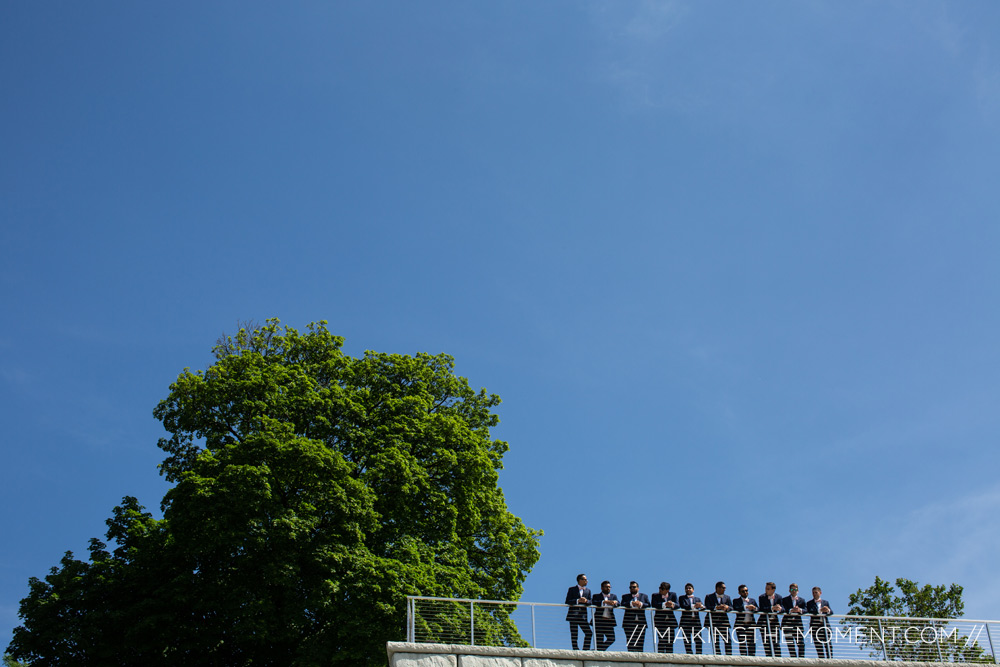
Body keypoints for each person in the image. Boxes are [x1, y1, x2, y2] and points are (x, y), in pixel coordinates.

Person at [564, 574, 592, 650]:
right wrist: (577, 600)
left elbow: (590, 601)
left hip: (583, 616)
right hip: (573, 615)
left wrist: (586, 601)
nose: (587, 581)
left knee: (589, 633)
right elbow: (567, 601)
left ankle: (585, 649)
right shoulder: (572, 589)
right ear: (580, 580)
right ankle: (575, 649)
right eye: (585, 579)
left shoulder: (588, 591)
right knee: (574, 634)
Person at [704, 581, 733, 655]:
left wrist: (727, 607)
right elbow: (707, 606)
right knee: (715, 641)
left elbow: (732, 607)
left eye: (725, 588)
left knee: (728, 639)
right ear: (718, 588)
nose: (725, 589)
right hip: (712, 622)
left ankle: (729, 656)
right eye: (723, 588)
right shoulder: (709, 596)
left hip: (723, 622)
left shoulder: (727, 597)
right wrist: (716, 607)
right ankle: (718, 656)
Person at [621, 581, 650, 652]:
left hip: (641, 623)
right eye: (630, 587)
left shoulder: (644, 596)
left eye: (634, 587)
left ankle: (640, 659)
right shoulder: (625, 596)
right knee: (630, 642)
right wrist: (632, 603)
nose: (632, 588)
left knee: (640, 643)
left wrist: (641, 604)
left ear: (638, 588)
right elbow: (623, 603)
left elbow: (649, 604)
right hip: (629, 623)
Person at [651, 582, 679, 653]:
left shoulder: (673, 595)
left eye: (662, 589)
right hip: (660, 622)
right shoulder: (655, 595)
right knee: (662, 640)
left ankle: (670, 657)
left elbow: (678, 605)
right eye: (659, 588)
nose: (660, 590)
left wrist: (672, 605)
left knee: (670, 640)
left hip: (670, 622)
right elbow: (654, 604)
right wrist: (665, 604)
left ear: (667, 590)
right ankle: (661, 656)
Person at [592, 580, 619, 651]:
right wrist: (604, 602)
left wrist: (615, 602)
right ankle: (598, 652)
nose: (608, 588)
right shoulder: (596, 596)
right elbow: (594, 602)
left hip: (609, 621)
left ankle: (599, 649)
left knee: (612, 638)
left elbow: (619, 603)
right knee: (599, 640)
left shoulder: (613, 596)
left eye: (609, 587)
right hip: (599, 621)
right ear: (602, 588)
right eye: (606, 587)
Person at [757, 582, 783, 657]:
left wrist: (780, 609)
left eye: (768, 589)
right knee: (766, 642)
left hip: (774, 623)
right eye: (766, 588)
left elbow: (784, 608)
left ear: (773, 590)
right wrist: (772, 608)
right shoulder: (761, 597)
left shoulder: (779, 597)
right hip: (764, 623)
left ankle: (778, 660)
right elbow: (762, 608)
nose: (766, 590)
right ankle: (769, 659)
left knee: (776, 642)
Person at [781, 583, 807, 658]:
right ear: (789, 590)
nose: (793, 591)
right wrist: (790, 610)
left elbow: (806, 609)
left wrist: (799, 610)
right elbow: (783, 609)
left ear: (797, 591)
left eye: (795, 589)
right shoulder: (784, 600)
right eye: (792, 589)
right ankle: (793, 659)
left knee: (801, 643)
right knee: (790, 643)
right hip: (787, 624)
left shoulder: (802, 600)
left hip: (798, 624)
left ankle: (801, 659)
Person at [806, 586, 833, 659]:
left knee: (828, 645)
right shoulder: (809, 603)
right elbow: (810, 611)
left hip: (825, 626)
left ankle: (830, 660)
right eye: (813, 593)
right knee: (818, 645)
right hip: (815, 627)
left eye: (816, 592)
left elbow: (831, 612)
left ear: (820, 593)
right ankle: (822, 660)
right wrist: (820, 610)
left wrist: (827, 610)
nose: (814, 594)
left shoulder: (825, 602)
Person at [678, 582, 705, 654]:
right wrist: (694, 606)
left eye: (689, 588)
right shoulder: (682, 598)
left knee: (698, 639)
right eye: (686, 588)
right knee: (687, 640)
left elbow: (703, 607)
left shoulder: (697, 599)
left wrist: (701, 606)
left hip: (695, 622)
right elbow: (683, 606)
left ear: (693, 590)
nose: (688, 589)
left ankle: (699, 654)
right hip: (686, 622)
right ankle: (689, 654)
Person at [733, 584, 757, 656]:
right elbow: (736, 608)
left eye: (746, 591)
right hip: (740, 625)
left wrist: (754, 608)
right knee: (742, 643)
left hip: (750, 624)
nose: (745, 592)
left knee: (752, 643)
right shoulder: (736, 600)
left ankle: (752, 659)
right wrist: (746, 607)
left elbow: (758, 608)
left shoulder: (752, 600)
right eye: (743, 591)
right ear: (739, 593)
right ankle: (743, 658)